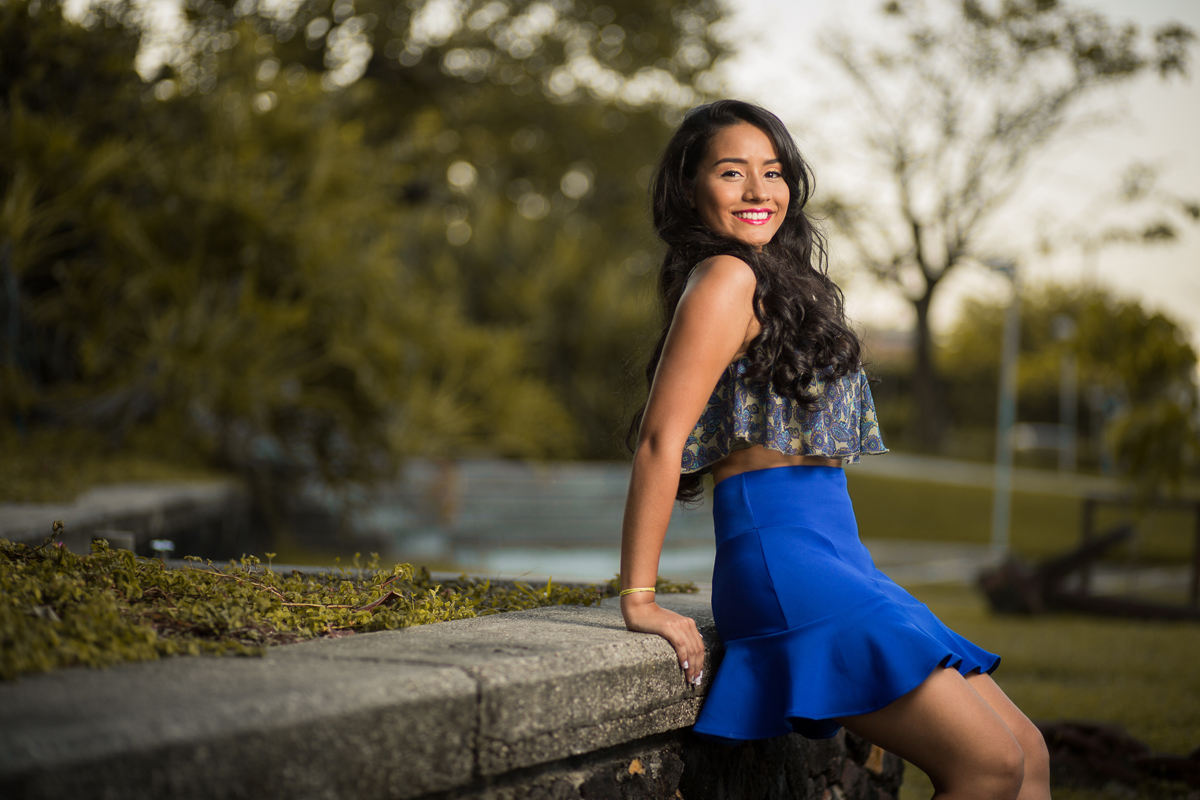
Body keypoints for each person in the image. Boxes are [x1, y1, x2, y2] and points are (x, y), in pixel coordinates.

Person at [617, 100, 1051, 800]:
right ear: (690, 187)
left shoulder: (782, 285)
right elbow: (662, 440)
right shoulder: (725, 279)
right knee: (988, 766)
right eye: (733, 173)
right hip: (785, 563)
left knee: (1026, 753)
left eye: (774, 171)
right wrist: (639, 598)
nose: (760, 191)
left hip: (840, 554)